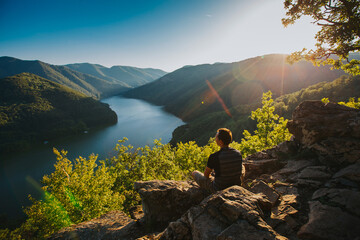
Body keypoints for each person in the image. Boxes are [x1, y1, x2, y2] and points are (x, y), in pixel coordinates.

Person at [192, 128, 242, 193]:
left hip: (219, 189)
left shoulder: (214, 156)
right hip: (236, 186)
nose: (215, 139)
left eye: (216, 137)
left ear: (220, 141)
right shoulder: (238, 153)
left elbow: (206, 175)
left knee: (194, 173)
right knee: (242, 166)